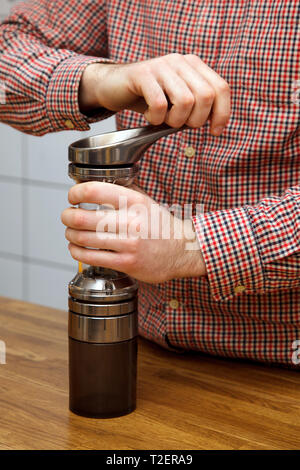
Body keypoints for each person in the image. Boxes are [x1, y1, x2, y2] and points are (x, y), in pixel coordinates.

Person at [0, 1, 299, 367]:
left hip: (280, 369)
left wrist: (189, 246)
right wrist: (102, 80)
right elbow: (8, 49)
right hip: (142, 353)